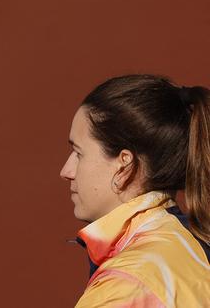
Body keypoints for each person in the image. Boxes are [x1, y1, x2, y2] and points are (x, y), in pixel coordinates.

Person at [60, 75, 210, 306]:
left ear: (124, 165)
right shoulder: (194, 245)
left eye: (79, 154)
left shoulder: (125, 286)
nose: (66, 171)